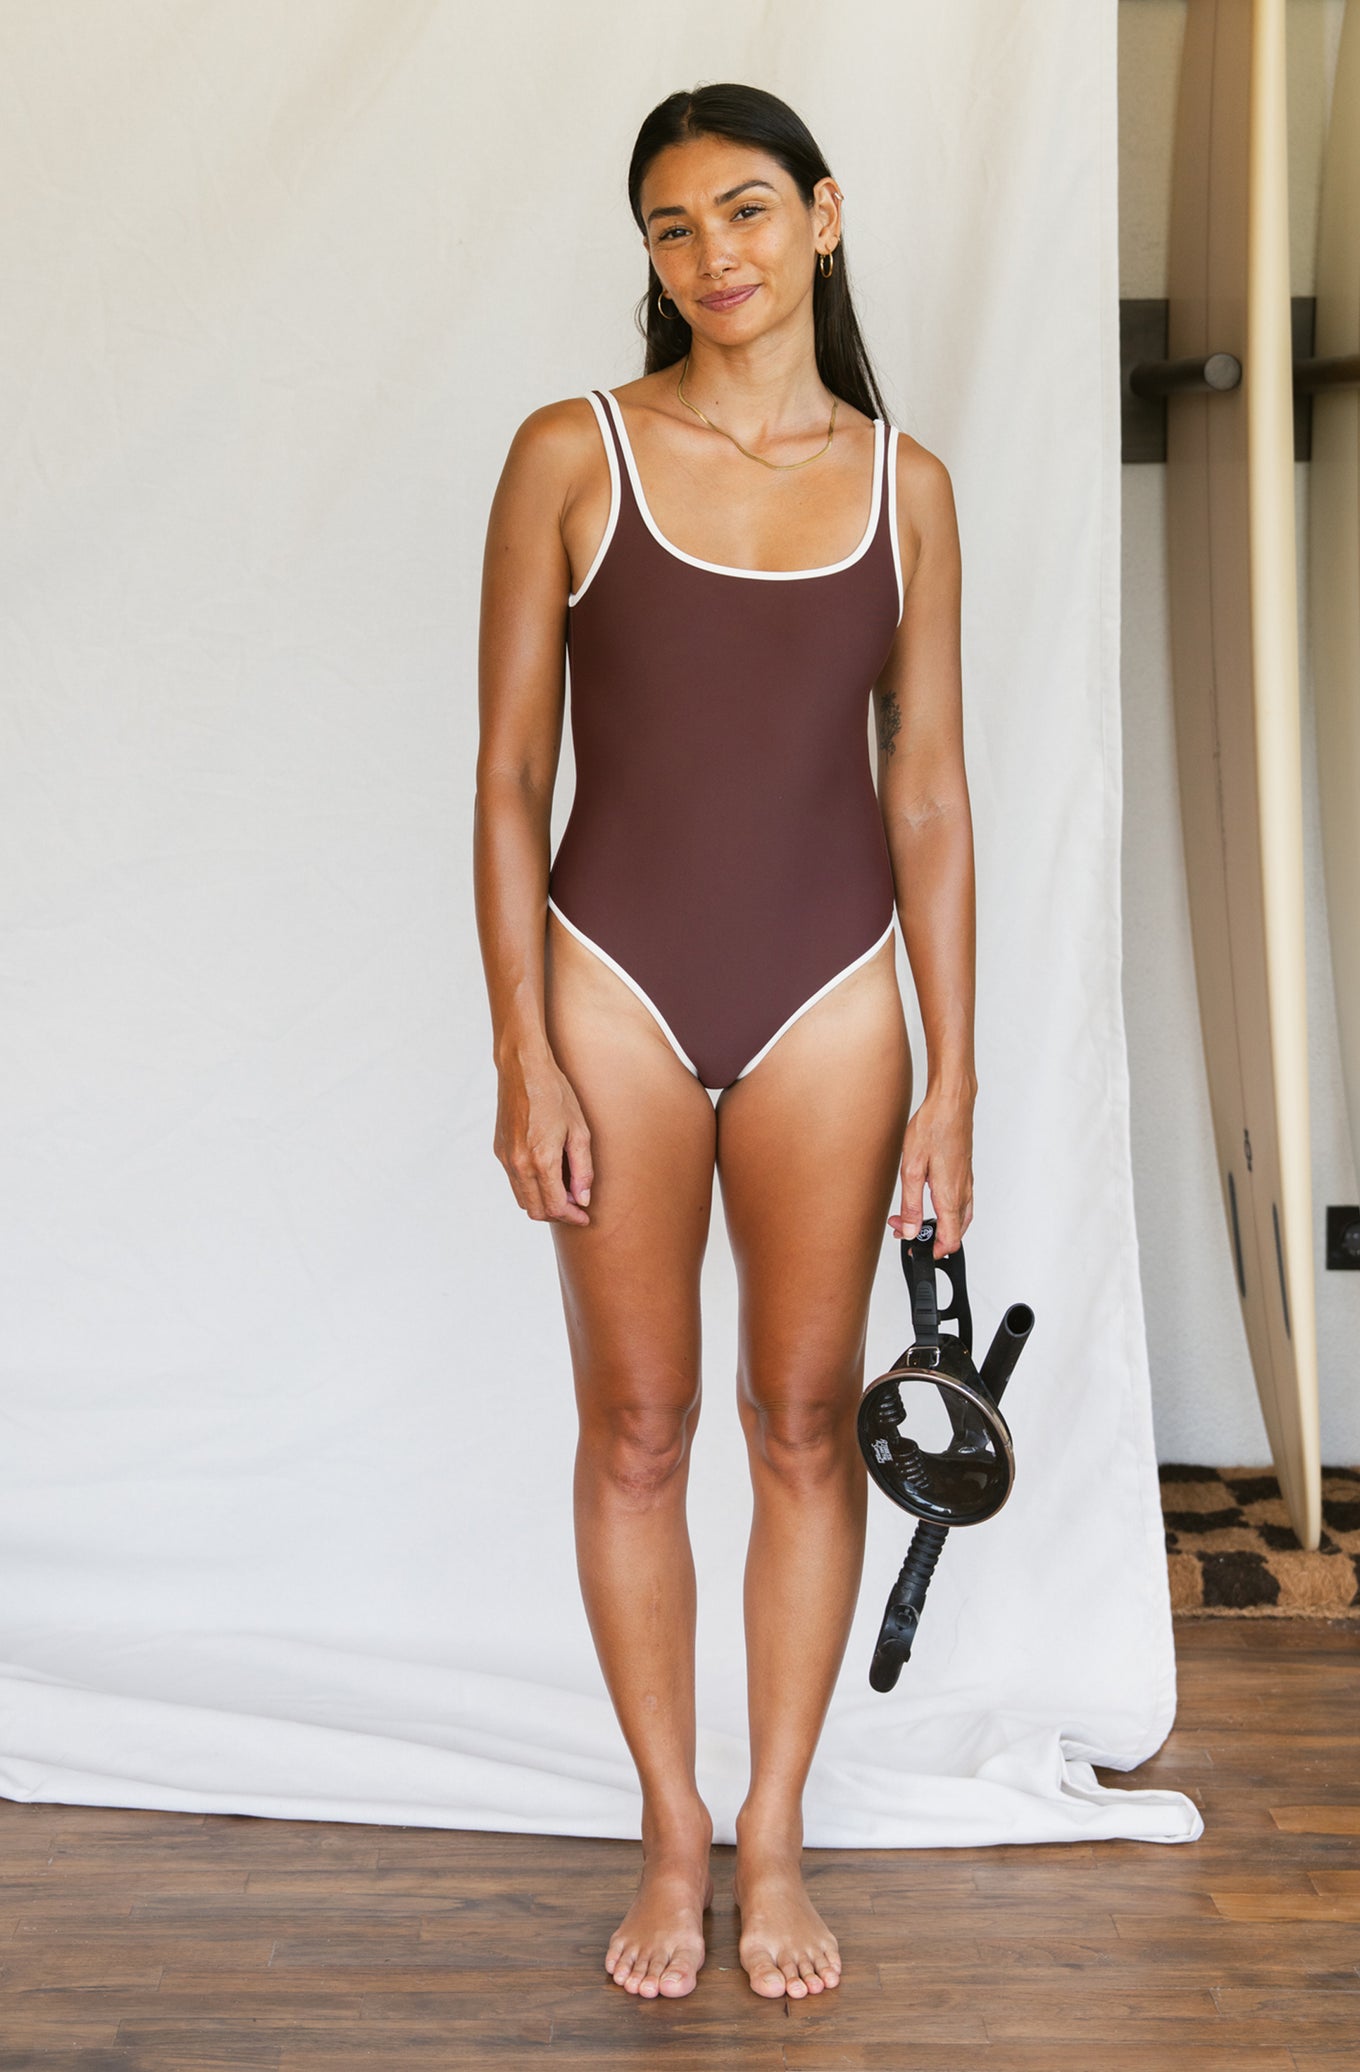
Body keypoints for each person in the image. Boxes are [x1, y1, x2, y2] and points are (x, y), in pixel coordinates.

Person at [473, 81, 976, 2004]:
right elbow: (510, 775)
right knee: (637, 1425)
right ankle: (671, 1837)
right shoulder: (572, 453)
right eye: (674, 226)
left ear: (823, 217)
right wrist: (520, 1050)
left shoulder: (905, 486)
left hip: (835, 996)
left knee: (801, 1421)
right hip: (611, 979)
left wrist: (957, 1073)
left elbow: (925, 792)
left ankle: (774, 1841)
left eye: (748, 210)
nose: (714, 255)